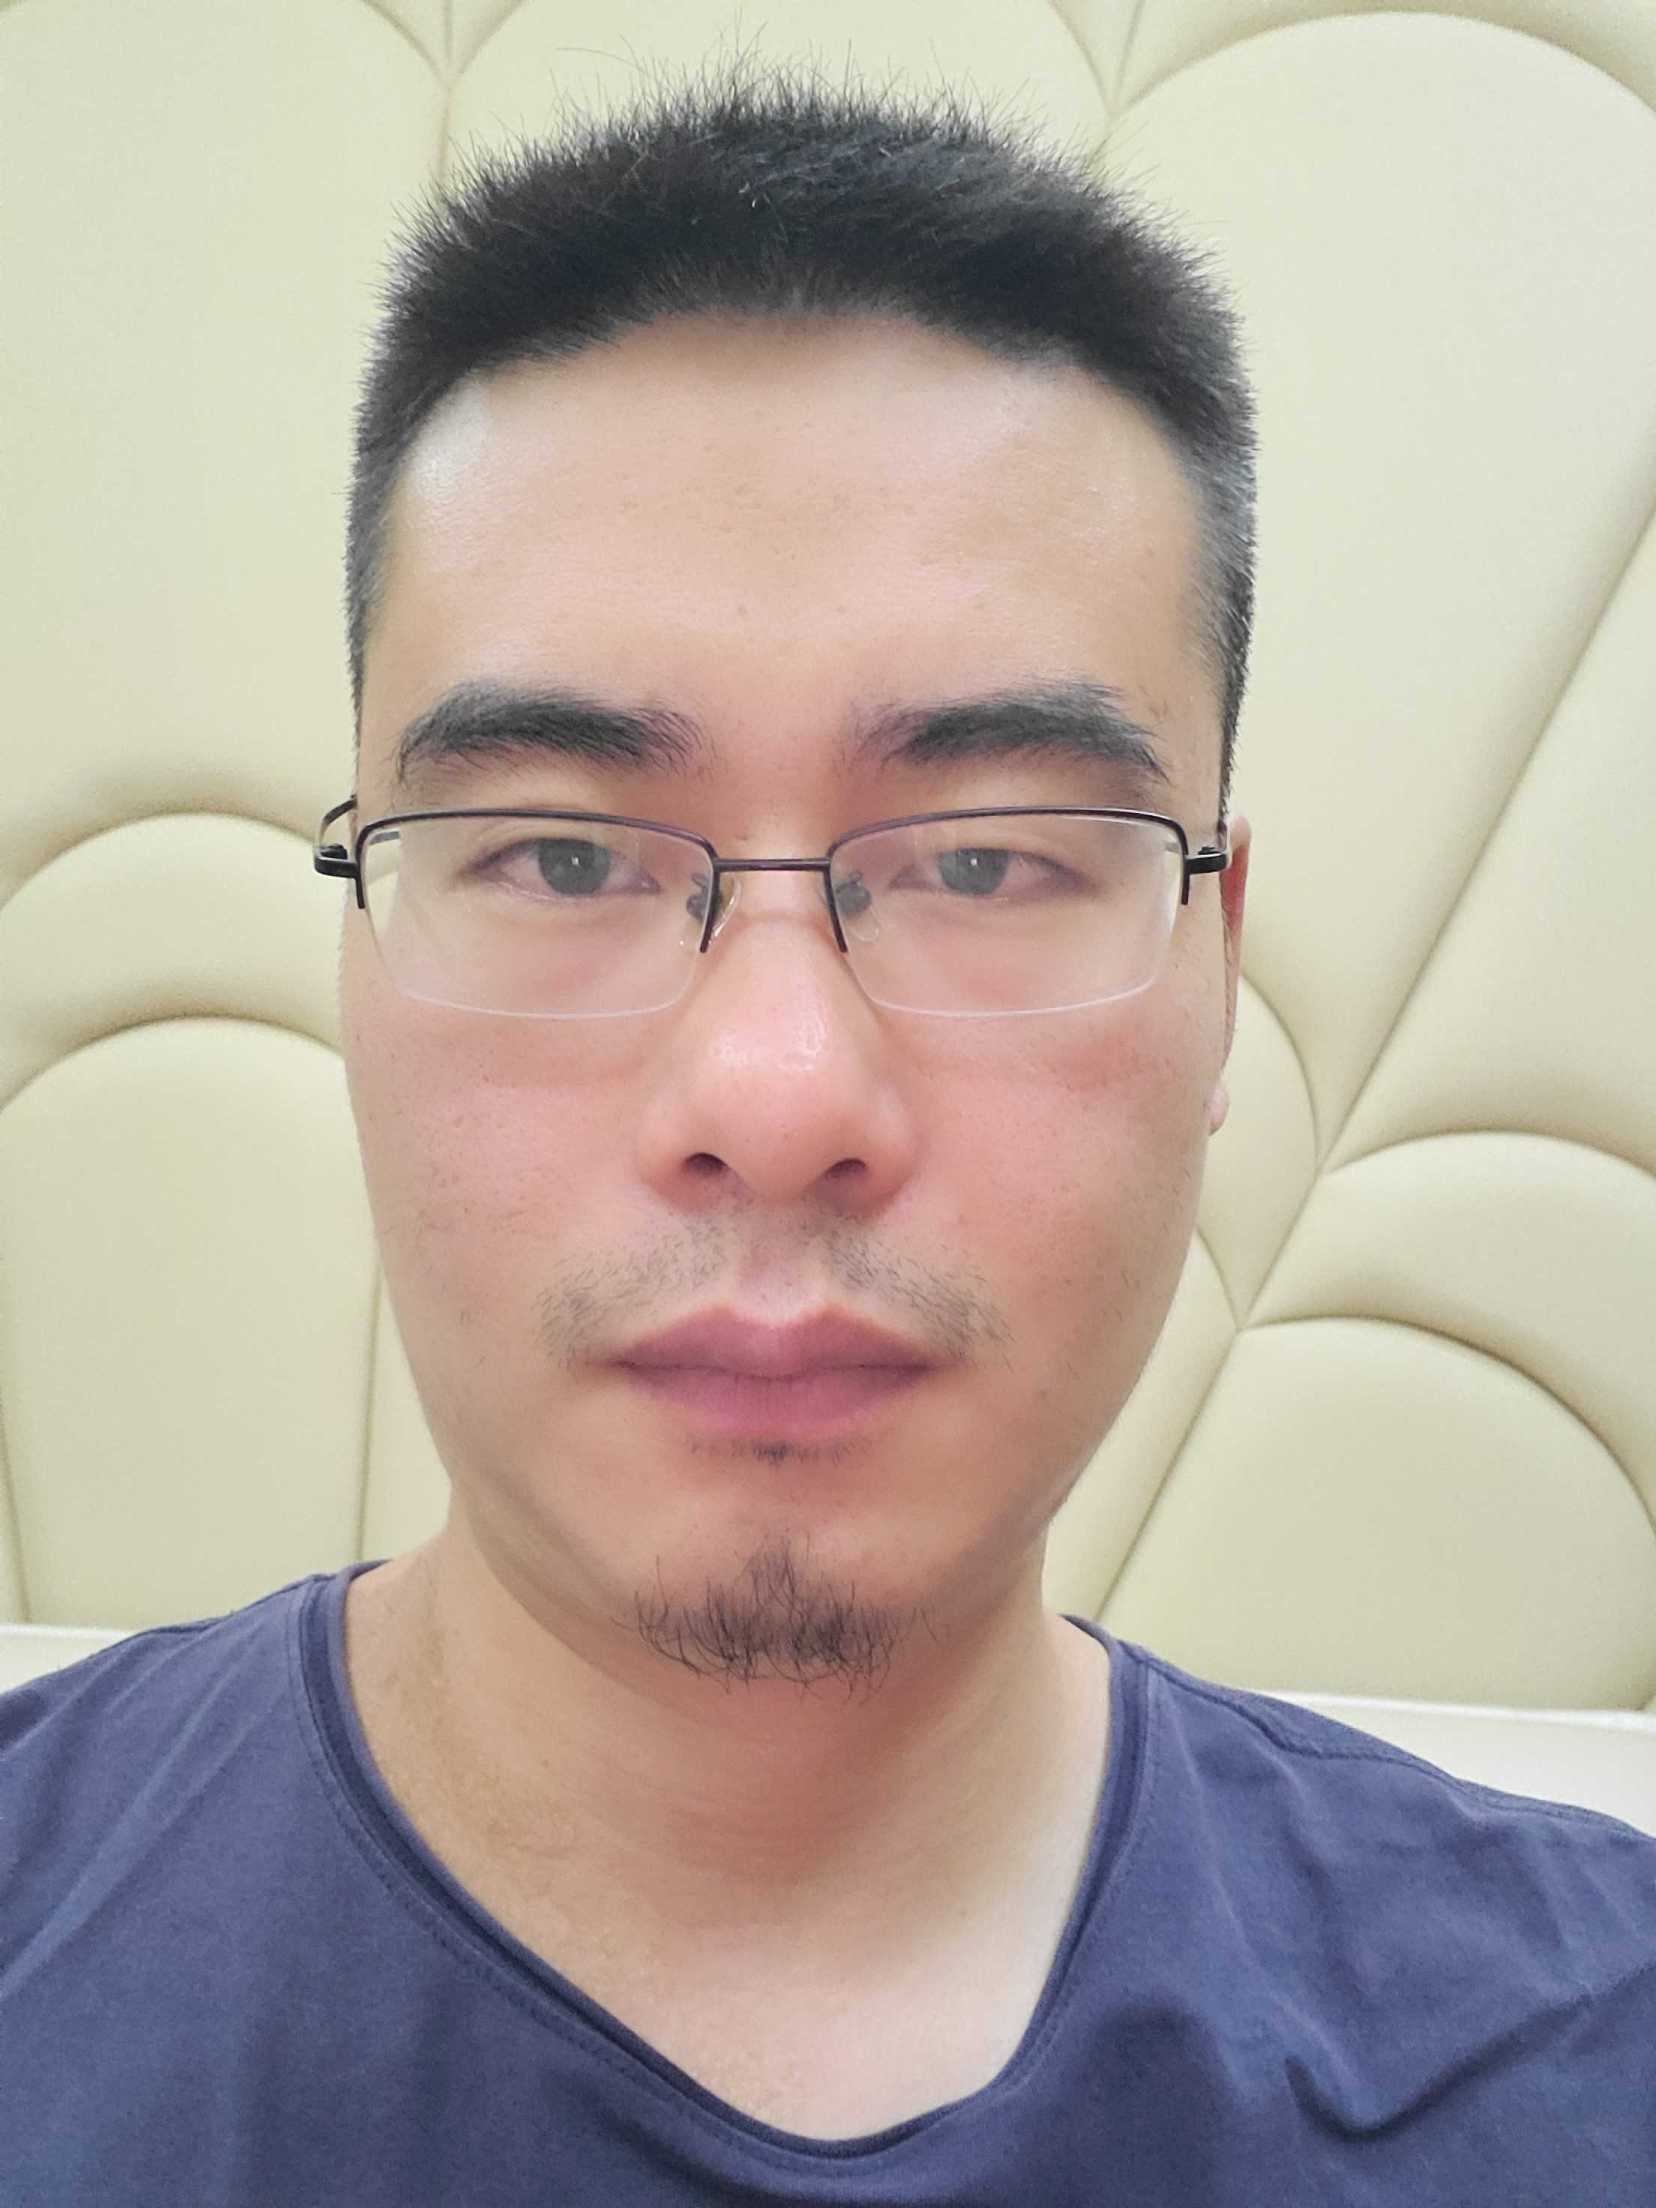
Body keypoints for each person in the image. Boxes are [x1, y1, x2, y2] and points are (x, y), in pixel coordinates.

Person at [2, 69, 1651, 2206]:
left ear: (1216, 957)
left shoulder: (1587, 2059)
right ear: (358, 955)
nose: (777, 1099)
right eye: (560, 858)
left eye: (984, 863)